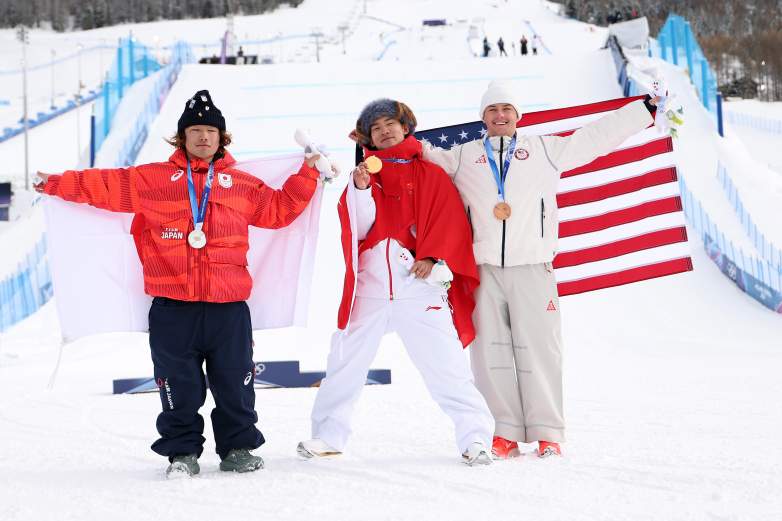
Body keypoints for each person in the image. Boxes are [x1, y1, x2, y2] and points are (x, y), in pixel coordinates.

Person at [35, 90, 324, 478]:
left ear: (222, 138)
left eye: (210, 131)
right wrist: (55, 183)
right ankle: (182, 454)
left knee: (235, 384)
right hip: (173, 308)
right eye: (195, 130)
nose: (203, 137)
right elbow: (101, 185)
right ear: (182, 137)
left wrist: (308, 173)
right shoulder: (153, 180)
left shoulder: (241, 184)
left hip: (228, 308)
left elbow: (279, 210)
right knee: (178, 386)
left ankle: (237, 448)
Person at [422, 81, 662, 460]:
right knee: (490, 353)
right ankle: (502, 433)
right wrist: (378, 142)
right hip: (482, 270)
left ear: (518, 115)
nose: (499, 116)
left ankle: (548, 432)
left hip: (533, 267)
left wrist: (643, 111)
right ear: (482, 118)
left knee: (541, 351)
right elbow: (421, 157)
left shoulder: (544, 150)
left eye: (506, 109)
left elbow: (594, 138)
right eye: (492, 110)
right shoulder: (463, 155)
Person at [297, 99, 495, 466]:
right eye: (376, 128)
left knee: (446, 365)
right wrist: (359, 190)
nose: (384, 131)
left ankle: (476, 438)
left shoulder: (430, 172)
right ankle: (327, 435)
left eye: (391, 123)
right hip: (372, 284)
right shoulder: (364, 174)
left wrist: (433, 256)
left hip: (417, 285)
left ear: (406, 128)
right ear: (368, 137)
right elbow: (358, 229)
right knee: (345, 361)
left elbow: (449, 219)